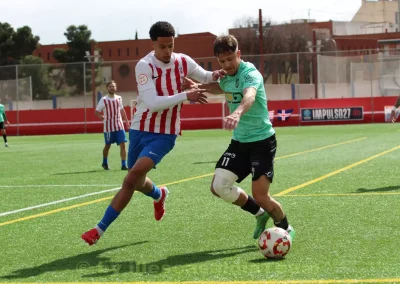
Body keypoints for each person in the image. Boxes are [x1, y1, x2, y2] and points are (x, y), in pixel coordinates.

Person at [81, 21, 225, 245]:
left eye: (171, 46)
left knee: (130, 179)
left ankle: (98, 230)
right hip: (139, 129)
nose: (167, 51)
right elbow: (152, 103)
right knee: (137, 182)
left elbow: (205, 76)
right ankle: (159, 194)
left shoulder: (183, 61)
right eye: (163, 47)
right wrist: (186, 96)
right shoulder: (144, 66)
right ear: (153, 45)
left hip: (165, 134)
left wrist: (217, 73)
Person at [205, 35, 295, 241]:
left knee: (262, 196)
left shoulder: (250, 73)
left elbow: (250, 95)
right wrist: (194, 87)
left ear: (239, 54)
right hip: (240, 142)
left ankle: (286, 229)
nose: (227, 65)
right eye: (222, 61)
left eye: (230, 59)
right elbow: (219, 88)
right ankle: (260, 215)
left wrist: (237, 113)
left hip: (262, 141)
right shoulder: (225, 77)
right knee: (218, 187)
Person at [95, 80, 130, 170]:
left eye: (113, 86)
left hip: (119, 125)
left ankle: (123, 164)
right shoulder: (104, 100)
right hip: (109, 127)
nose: (112, 88)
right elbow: (97, 111)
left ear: (116, 88)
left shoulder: (119, 98)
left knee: (123, 145)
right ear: (107, 88)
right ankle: (104, 162)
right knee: (108, 145)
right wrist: (101, 117)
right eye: (110, 86)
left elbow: (122, 110)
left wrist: (127, 122)